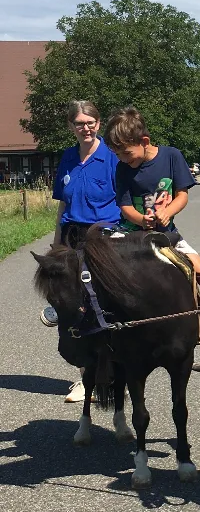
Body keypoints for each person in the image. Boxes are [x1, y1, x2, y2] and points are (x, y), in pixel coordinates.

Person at [104, 108, 200, 354]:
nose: (123, 159)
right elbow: (124, 206)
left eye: (126, 153)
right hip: (131, 231)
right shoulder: (123, 168)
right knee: (97, 263)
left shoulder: (171, 156)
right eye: (117, 155)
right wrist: (140, 219)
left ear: (144, 141)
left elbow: (182, 195)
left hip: (167, 232)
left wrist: (166, 213)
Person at [43, 101, 121, 403]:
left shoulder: (111, 157)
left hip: (105, 237)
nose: (85, 128)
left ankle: (117, 368)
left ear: (98, 124)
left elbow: (125, 199)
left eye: (90, 122)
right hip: (73, 236)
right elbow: (63, 204)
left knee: (106, 304)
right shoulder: (67, 158)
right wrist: (56, 245)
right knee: (75, 308)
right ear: (71, 127)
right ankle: (85, 374)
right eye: (79, 123)